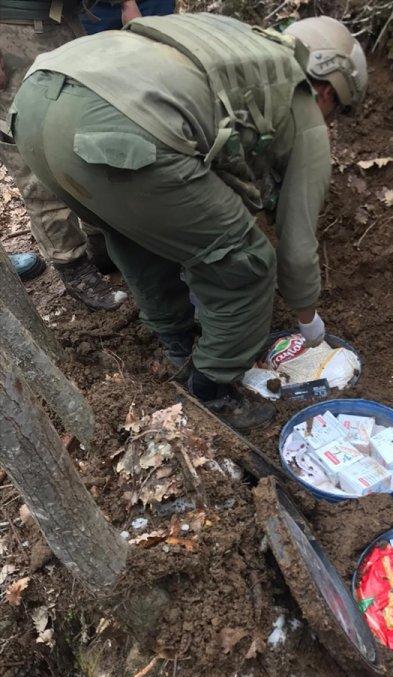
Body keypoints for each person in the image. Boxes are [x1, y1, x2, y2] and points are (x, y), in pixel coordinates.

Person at [9, 14, 367, 430]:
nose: (328, 122)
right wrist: (308, 318)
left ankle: (177, 345)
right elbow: (297, 245)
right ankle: (211, 389)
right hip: (111, 128)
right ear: (327, 89)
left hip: (36, 103)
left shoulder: (243, 47)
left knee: (134, 235)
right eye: (336, 111)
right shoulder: (302, 103)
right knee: (247, 262)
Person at [0, 0, 169, 309]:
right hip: (13, 33)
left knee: (87, 138)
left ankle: (102, 244)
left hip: (68, 24)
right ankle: (73, 266)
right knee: (35, 158)